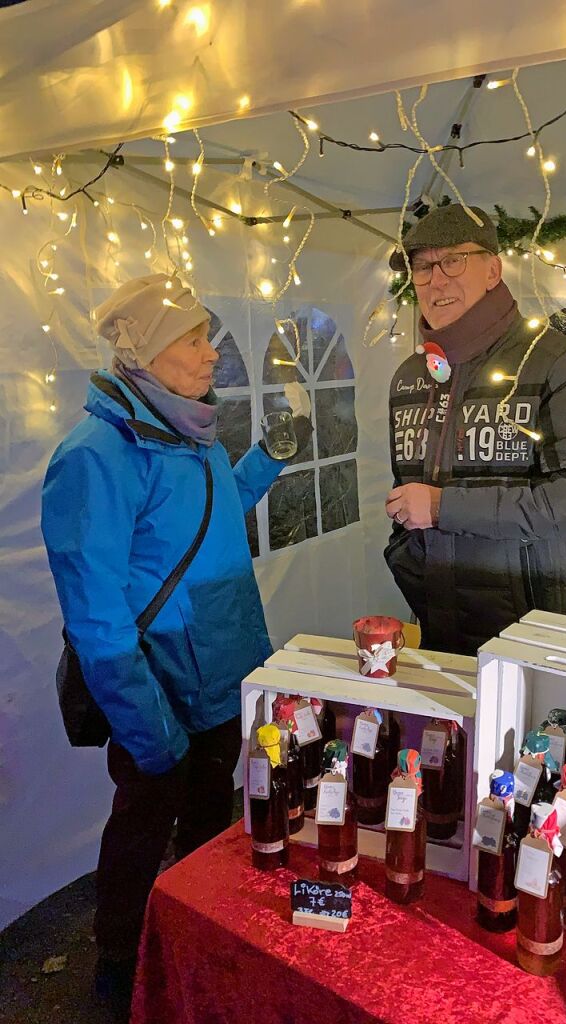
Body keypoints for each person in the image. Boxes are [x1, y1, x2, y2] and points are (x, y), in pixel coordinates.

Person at [41, 273, 309, 1011]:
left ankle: (193, 936)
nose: (211, 353)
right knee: (142, 825)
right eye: (192, 339)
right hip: (157, 692)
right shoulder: (97, 455)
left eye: (206, 335)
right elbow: (96, 621)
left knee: (208, 821)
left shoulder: (186, 430)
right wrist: (149, 730)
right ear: (147, 354)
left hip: (223, 672)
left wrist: (268, 459)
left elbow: (217, 518)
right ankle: (119, 962)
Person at [384, 204, 566, 655]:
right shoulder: (410, 376)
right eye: (422, 267)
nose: (436, 279)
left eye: (453, 261)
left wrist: (441, 508)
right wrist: (408, 554)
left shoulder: (555, 360)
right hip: (443, 623)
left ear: (492, 270)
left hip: (539, 630)